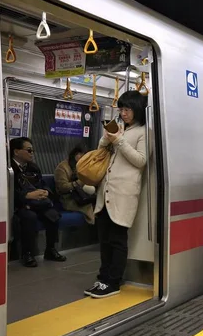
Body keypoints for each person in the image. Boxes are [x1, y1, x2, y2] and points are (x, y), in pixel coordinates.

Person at [85, 91, 147, 299]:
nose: (123, 113)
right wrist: (106, 139)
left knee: (117, 240)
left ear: (137, 109)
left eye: (127, 109)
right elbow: (101, 154)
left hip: (124, 194)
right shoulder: (120, 129)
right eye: (121, 109)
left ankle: (113, 281)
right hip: (105, 193)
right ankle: (102, 278)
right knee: (104, 240)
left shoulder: (143, 132)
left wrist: (119, 141)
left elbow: (141, 161)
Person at [10, 137, 67, 267]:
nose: (32, 153)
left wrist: (46, 192)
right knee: (29, 217)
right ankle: (27, 253)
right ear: (16, 152)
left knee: (53, 214)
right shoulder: (9, 169)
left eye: (32, 151)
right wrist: (27, 196)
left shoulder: (33, 167)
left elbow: (42, 184)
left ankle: (50, 249)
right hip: (20, 205)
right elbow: (8, 191)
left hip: (38, 202)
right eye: (29, 150)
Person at [54, 146, 96, 224]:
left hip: (84, 196)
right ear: (75, 155)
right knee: (90, 208)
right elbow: (62, 187)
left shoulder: (84, 167)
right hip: (68, 198)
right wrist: (78, 183)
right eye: (81, 155)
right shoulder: (62, 167)